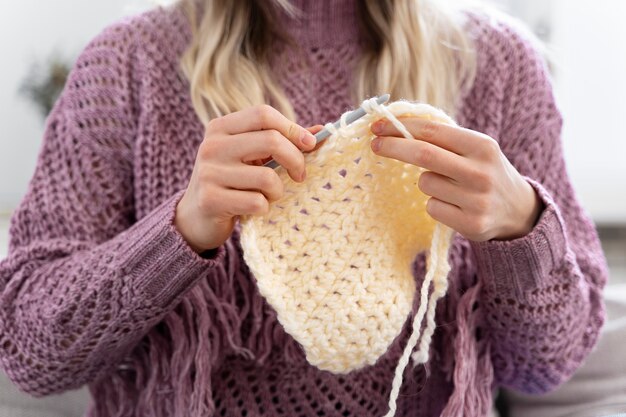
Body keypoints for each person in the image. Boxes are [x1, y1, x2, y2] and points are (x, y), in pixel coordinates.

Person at [0, 0, 609, 416]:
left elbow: (545, 365)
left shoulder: (499, 67)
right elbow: (31, 349)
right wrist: (179, 230)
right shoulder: (127, 66)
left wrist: (522, 228)